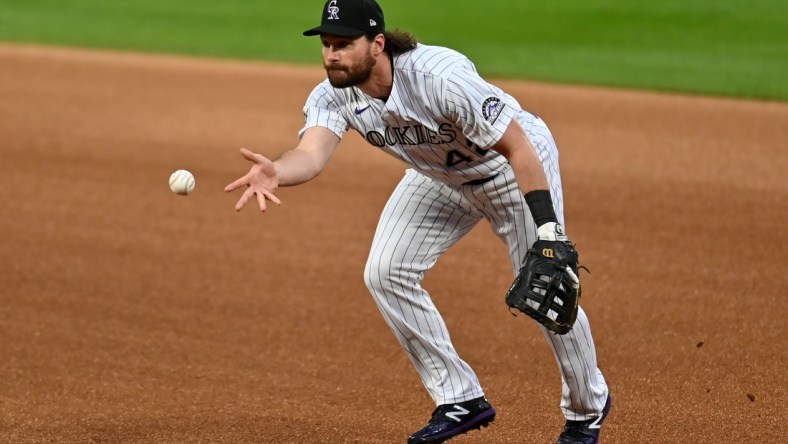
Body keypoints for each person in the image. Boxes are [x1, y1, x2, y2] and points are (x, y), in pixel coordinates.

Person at [225, 0, 611, 442]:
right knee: (385, 272)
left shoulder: (438, 77)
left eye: (344, 44)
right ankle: (460, 397)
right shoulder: (332, 94)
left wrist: (549, 232)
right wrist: (277, 170)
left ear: (378, 44)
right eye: (327, 44)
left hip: (508, 170)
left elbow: (519, 146)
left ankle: (586, 410)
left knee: (548, 289)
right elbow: (311, 155)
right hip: (440, 178)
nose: (332, 55)